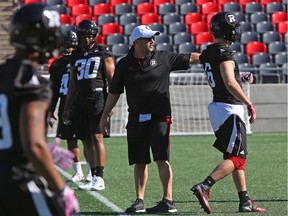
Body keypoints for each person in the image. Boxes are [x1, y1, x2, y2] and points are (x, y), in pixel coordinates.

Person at [99, 25, 200, 214]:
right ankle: (139, 201)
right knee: (140, 161)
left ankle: (168, 200)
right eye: (148, 38)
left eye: (153, 38)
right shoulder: (124, 64)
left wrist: (214, 55)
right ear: (137, 42)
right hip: (136, 118)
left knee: (162, 159)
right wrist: (104, 115)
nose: (152, 41)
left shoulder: (164, 57)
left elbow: (192, 57)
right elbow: (114, 92)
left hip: (160, 117)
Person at [0, 3, 79, 216]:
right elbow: (33, 145)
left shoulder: (2, 73)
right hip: (18, 182)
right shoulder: (33, 82)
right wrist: (61, 190)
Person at [190, 12, 266, 214]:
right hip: (229, 108)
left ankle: (245, 200)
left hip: (219, 108)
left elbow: (226, 75)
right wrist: (249, 102)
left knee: (234, 157)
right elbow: (229, 82)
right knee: (239, 158)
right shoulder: (225, 52)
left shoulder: (209, 52)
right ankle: (205, 186)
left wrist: (241, 76)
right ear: (227, 30)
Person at [62, 19, 115, 191]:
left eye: (90, 36)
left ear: (95, 36)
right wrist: (66, 108)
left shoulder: (103, 52)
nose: (86, 39)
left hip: (98, 97)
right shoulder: (75, 55)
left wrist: (111, 103)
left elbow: (112, 80)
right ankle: (93, 174)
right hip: (80, 99)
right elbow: (72, 84)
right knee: (86, 139)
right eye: (83, 36)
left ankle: (100, 177)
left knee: (97, 136)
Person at [48, 30, 92, 182]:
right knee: (70, 140)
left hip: (81, 105)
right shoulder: (56, 65)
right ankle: (78, 172)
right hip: (65, 106)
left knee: (87, 139)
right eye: (65, 46)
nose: (68, 49)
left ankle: (91, 171)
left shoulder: (82, 60)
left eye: (71, 46)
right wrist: (50, 110)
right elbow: (53, 90)